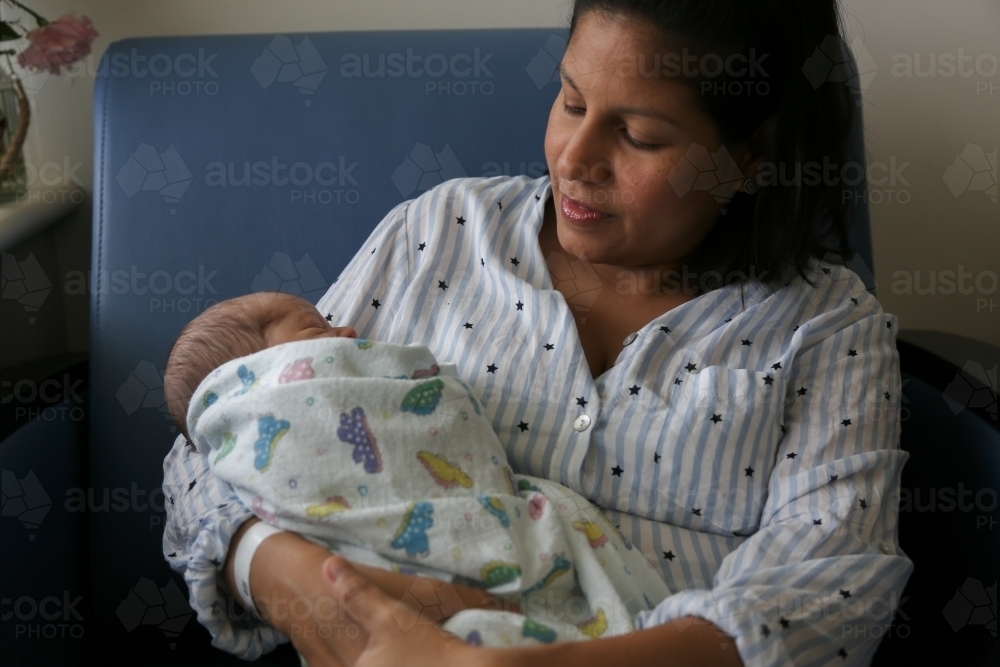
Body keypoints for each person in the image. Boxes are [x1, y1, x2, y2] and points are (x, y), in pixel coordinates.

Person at [162, 1, 914, 666]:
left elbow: (837, 584)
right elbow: (223, 426)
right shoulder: (441, 234)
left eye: (640, 136)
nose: (575, 159)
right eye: (570, 99)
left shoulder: (825, 326)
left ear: (752, 156)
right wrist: (279, 570)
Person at [163, 292, 671, 656]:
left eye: (644, 138)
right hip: (372, 599)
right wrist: (268, 562)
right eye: (318, 330)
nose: (349, 334)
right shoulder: (427, 224)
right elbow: (194, 453)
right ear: (257, 379)